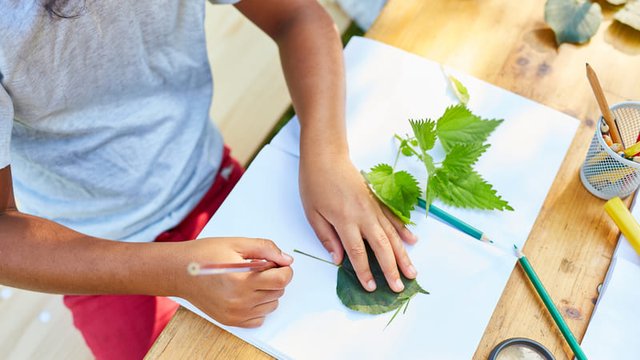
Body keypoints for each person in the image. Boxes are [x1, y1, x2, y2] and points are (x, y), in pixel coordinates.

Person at [0, 0, 418, 358]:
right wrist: (178, 272)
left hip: (211, 183)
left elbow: (295, 15)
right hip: (88, 253)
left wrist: (326, 155)